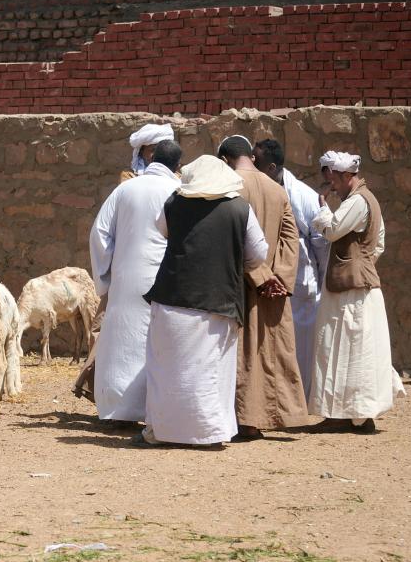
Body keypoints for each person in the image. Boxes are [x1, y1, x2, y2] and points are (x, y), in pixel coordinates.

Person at [134, 156, 269, 447]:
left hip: (172, 299)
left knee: (165, 370)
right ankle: (210, 434)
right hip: (218, 303)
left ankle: (159, 431)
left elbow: (162, 230)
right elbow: (258, 253)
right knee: (211, 373)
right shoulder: (239, 208)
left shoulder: (174, 203)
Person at [217, 134, 308, 439]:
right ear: (252, 157)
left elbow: (231, 240)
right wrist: (277, 279)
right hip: (273, 289)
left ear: (224, 160)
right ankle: (273, 415)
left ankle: (242, 418)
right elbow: (290, 240)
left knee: (241, 352)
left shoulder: (227, 187)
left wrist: (258, 275)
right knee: (271, 351)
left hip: (238, 283)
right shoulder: (277, 190)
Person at [309, 151, 405, 433]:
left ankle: (347, 414)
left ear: (345, 176)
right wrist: (364, 263)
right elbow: (379, 244)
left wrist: (322, 205)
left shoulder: (358, 201)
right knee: (351, 348)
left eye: (334, 179)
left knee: (342, 346)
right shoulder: (366, 200)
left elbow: (332, 231)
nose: (331, 184)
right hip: (355, 285)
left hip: (350, 290)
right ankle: (353, 414)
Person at [88, 139, 182, 422]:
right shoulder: (179, 191)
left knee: (122, 343)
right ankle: (153, 412)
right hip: (166, 279)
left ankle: (118, 412)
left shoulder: (125, 188)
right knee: (157, 343)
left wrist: (106, 277)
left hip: (126, 278)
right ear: (178, 166)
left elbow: (99, 233)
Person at [253, 139, 328, 400]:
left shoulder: (304, 197)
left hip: (302, 281)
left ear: (272, 167)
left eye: (257, 163)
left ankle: (300, 398)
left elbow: (321, 244)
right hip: (270, 279)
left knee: (301, 343)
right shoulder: (259, 190)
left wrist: (321, 281)